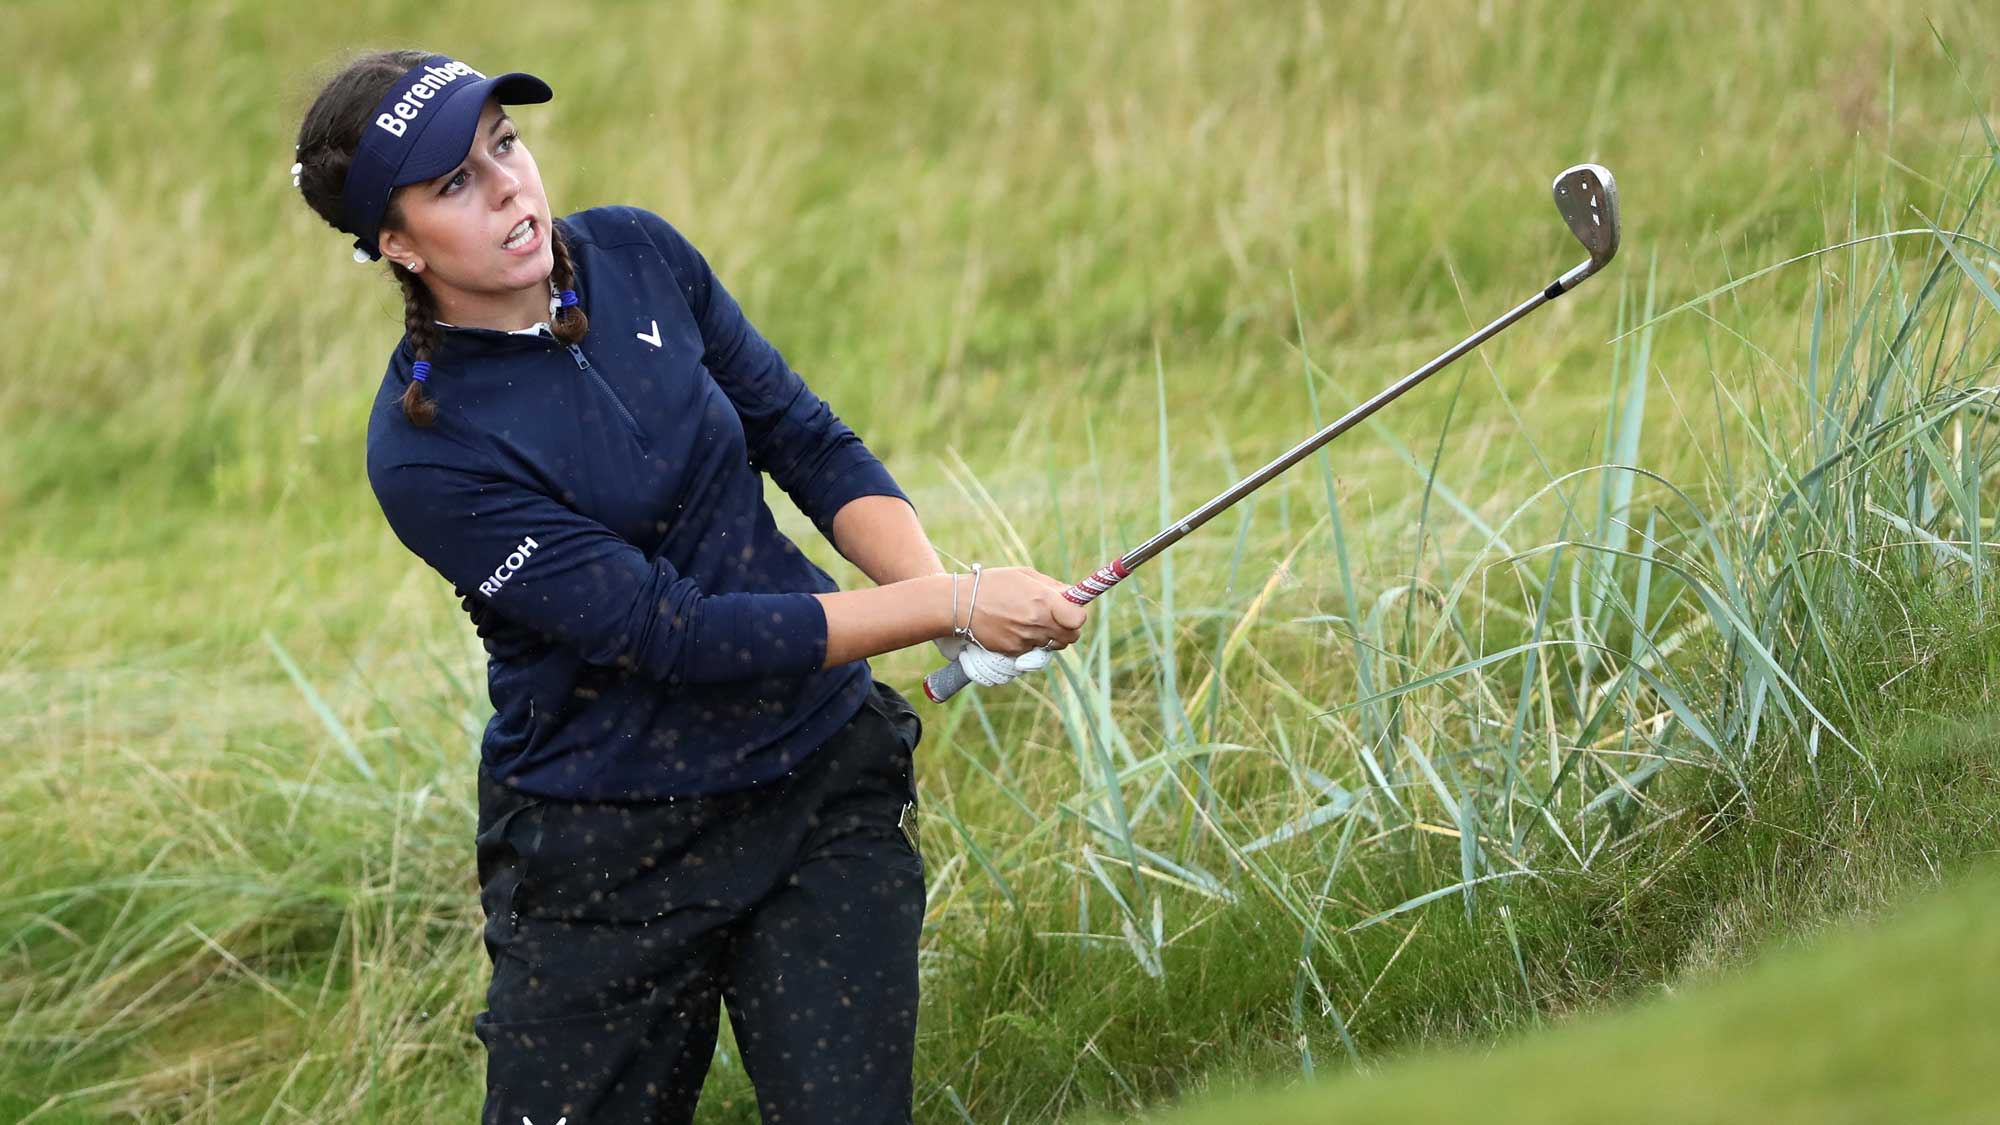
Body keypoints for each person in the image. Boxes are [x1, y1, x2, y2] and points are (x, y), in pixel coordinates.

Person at [290, 49, 1088, 1124]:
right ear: (393, 243)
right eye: (453, 186)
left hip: (816, 790)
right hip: (605, 855)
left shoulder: (634, 253)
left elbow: (802, 439)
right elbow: (674, 634)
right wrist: (950, 606)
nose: (509, 190)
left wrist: (942, 596)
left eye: (505, 148)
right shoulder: (426, 451)